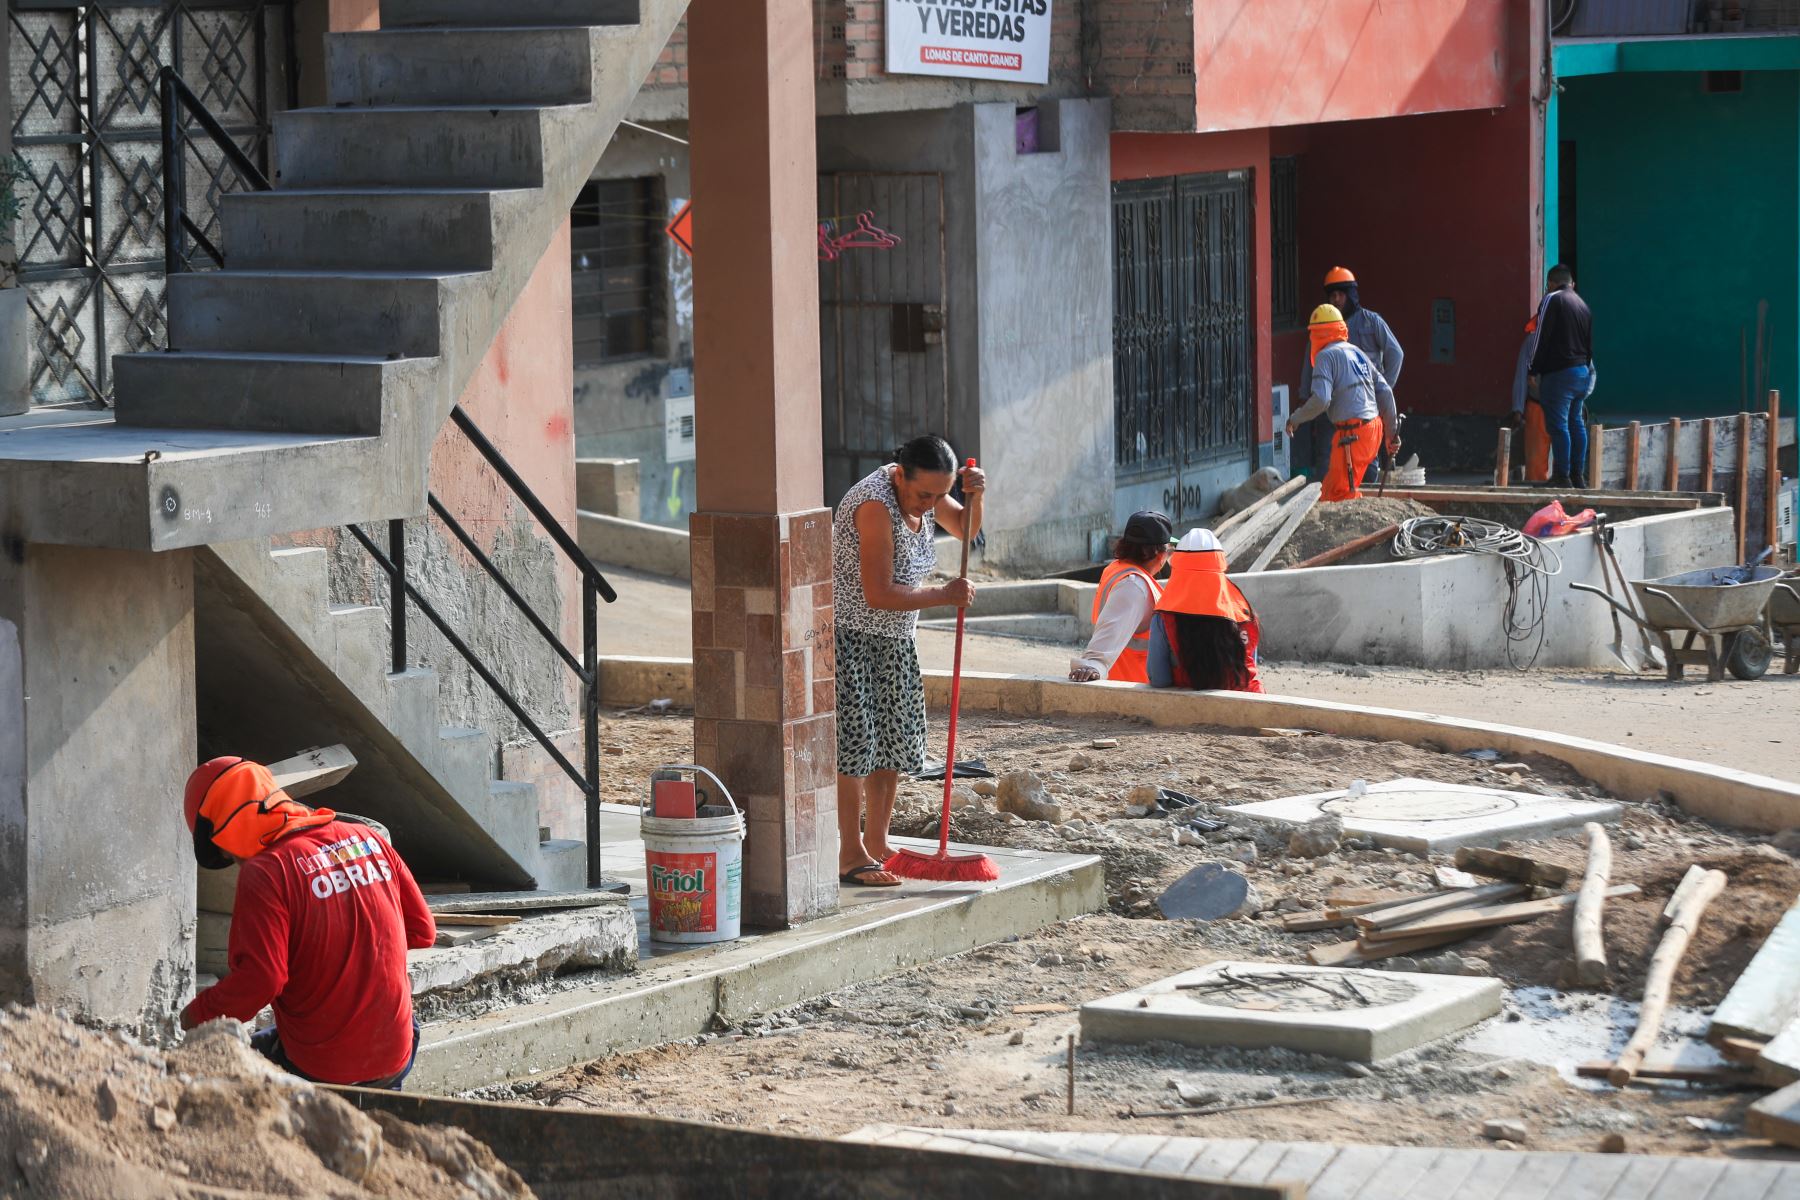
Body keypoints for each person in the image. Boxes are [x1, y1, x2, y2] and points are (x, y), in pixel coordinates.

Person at [179, 756, 436, 1089]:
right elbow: (422, 931)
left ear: (226, 833)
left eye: (227, 853)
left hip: (324, 1069)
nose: (236, 863)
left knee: (232, 1069)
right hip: (396, 1054)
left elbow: (261, 980)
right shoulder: (367, 838)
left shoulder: (266, 873)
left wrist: (197, 1014)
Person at [833, 435, 984, 888]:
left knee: (893, 742)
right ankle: (849, 850)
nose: (933, 504)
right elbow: (877, 593)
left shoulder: (925, 493)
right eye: (926, 495)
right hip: (850, 636)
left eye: (942, 494)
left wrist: (974, 496)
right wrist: (944, 595)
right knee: (856, 743)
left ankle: (878, 841)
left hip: (896, 637)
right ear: (900, 475)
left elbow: (966, 529)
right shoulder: (875, 505)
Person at [1287, 303, 1400, 502]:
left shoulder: (1325, 356)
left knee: (1338, 496)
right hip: (1373, 431)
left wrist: (1296, 418)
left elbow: (1322, 399)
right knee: (1330, 490)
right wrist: (1391, 435)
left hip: (1352, 435)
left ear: (1316, 334)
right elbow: (1385, 392)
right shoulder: (1357, 352)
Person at [1147, 529, 1263, 692]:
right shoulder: (1243, 611)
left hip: (1192, 710)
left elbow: (1159, 679)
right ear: (1220, 565)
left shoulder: (1163, 619)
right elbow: (1250, 668)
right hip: (1250, 705)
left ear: (1178, 568)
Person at [1069, 510, 1174, 683]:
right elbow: (1108, 635)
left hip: (1126, 687)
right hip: (1133, 692)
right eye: (1168, 550)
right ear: (1159, 554)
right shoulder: (1133, 587)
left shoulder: (1117, 569)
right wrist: (1093, 665)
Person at [1518, 264, 1595, 488]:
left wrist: (1533, 369)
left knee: (1558, 425)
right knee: (1576, 423)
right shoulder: (1583, 305)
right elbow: (1589, 345)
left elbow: (1540, 337)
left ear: (1550, 283)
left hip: (1559, 374)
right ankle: (1577, 475)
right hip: (1581, 371)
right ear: (1571, 282)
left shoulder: (1552, 299)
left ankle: (1562, 476)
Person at [1297, 265, 1404, 416]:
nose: (1336, 299)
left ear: (1351, 295)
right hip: (1333, 407)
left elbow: (1396, 354)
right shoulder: (1322, 327)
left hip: (1367, 406)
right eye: (1332, 295)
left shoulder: (1372, 321)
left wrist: (1382, 391)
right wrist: (1304, 397)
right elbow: (1310, 362)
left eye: (1341, 294)